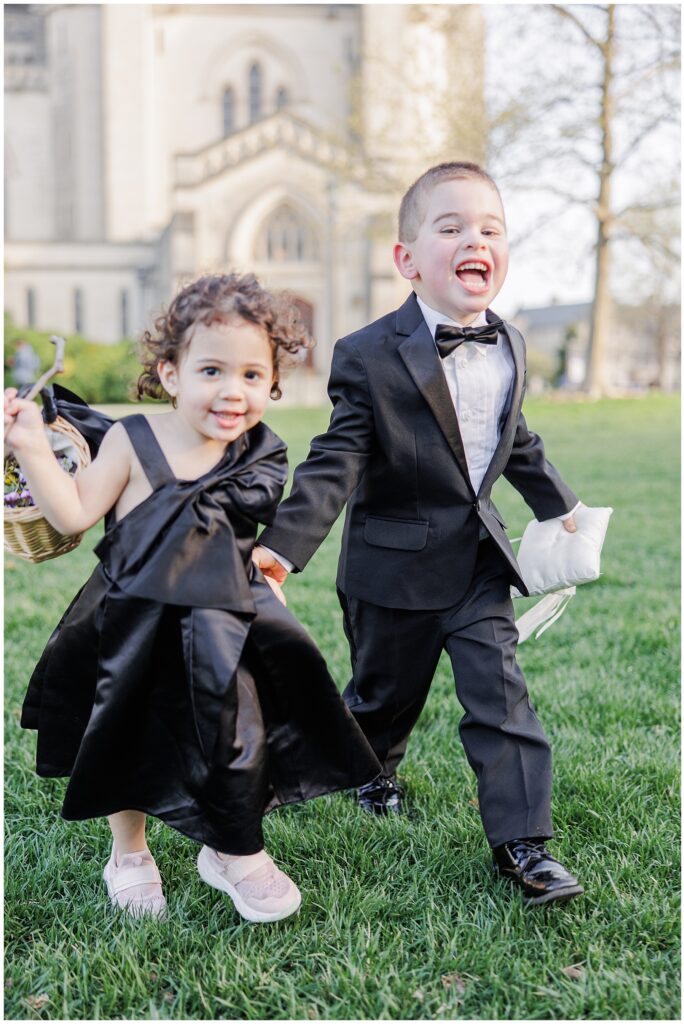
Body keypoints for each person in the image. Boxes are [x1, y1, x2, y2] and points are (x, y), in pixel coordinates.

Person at [254, 162, 585, 906]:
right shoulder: (367, 352)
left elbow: (515, 439)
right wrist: (284, 542)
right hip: (390, 568)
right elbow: (337, 454)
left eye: (490, 228)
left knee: (502, 699)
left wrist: (558, 507)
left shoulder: (510, 344)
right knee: (381, 697)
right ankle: (371, 770)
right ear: (406, 260)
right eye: (451, 227)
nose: (475, 239)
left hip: (476, 562)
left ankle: (524, 846)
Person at [4, 273, 380, 922]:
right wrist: (33, 447)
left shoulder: (258, 454)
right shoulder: (131, 441)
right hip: (131, 622)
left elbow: (236, 546)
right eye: (210, 370)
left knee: (237, 737)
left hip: (220, 625)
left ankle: (234, 849)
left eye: (252, 376)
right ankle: (129, 852)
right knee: (124, 734)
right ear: (170, 374)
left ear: (271, 384)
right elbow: (71, 513)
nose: (232, 392)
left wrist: (271, 604)